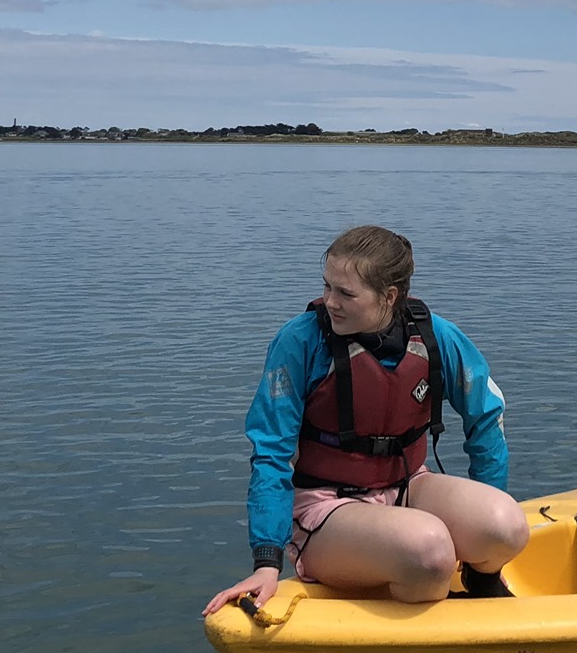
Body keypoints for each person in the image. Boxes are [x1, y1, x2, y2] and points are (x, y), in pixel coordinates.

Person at [203, 225, 529, 618]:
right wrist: (267, 561)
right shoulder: (300, 342)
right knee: (430, 549)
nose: (330, 302)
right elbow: (271, 453)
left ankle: (479, 582)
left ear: (389, 296)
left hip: (408, 483)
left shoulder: (435, 337)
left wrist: (482, 533)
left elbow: (487, 418)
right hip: (324, 506)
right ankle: (419, 600)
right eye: (327, 287)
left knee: (507, 524)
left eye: (346, 293)